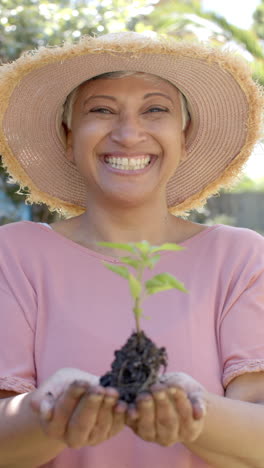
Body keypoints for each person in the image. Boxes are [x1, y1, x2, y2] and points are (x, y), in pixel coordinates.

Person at [0, 30, 263, 468]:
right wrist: (47, 412)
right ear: (68, 136)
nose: (128, 133)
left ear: (186, 135)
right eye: (101, 110)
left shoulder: (240, 258)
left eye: (155, 109)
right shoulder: (13, 254)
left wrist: (195, 414)